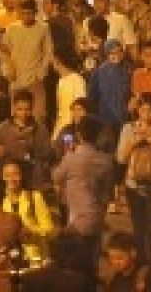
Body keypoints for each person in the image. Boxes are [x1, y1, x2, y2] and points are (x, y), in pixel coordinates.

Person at [51, 114, 114, 287]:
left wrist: (67, 154)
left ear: (79, 134)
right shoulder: (105, 161)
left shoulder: (72, 158)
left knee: (75, 263)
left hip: (77, 218)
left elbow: (55, 177)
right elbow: (108, 191)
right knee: (93, 263)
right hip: (97, 217)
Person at [116, 92, 151, 269]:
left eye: (150, 110)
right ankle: (139, 264)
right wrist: (134, 142)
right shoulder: (128, 129)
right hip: (133, 186)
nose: (146, 114)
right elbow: (120, 158)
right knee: (138, 228)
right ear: (138, 111)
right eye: (143, 110)